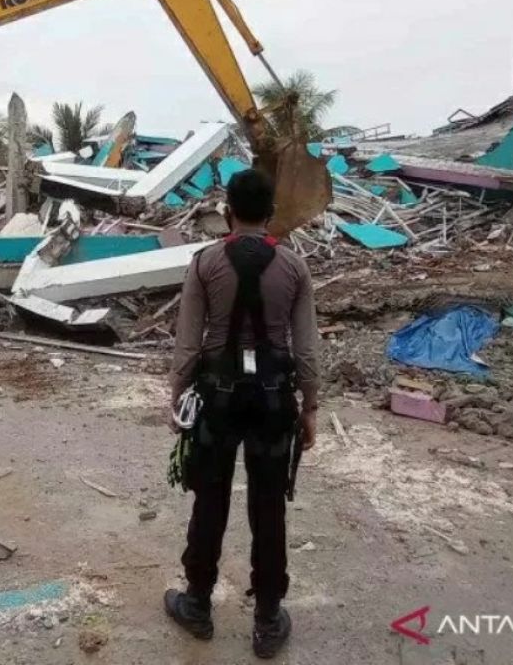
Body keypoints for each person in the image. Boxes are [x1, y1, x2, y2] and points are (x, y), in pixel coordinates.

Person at [164, 168, 319, 659]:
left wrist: (178, 396)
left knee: (209, 499)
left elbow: (188, 342)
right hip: (274, 401)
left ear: (227, 211)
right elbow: (308, 350)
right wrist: (310, 406)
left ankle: (197, 604)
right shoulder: (294, 267)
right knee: (268, 506)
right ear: (271, 213)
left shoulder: (205, 263)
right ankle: (269, 619)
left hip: (217, 397)